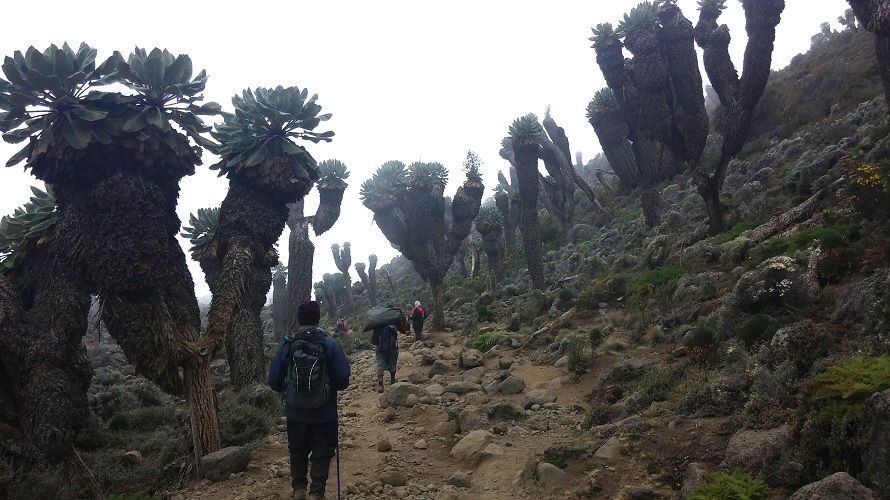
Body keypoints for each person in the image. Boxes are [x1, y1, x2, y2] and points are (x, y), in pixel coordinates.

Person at [268, 300, 351, 500]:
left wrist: (290, 392)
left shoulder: (289, 344)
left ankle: (298, 490)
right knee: (322, 452)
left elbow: (273, 379)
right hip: (325, 412)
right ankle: (316, 493)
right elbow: (343, 379)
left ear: (299, 320)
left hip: (295, 411)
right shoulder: (329, 343)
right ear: (318, 318)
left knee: (297, 450)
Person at [372, 314, 409, 393]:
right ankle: (392, 380)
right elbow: (404, 331)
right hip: (392, 347)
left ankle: (381, 384)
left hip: (380, 348)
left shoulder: (379, 322)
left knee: (380, 365)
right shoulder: (394, 322)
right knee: (393, 363)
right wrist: (404, 321)